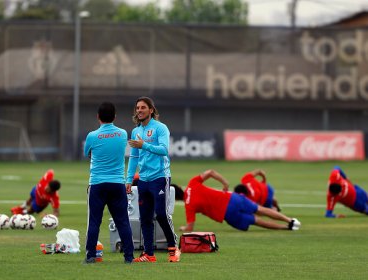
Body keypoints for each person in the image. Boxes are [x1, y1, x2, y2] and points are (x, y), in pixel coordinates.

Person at [126, 96, 180, 263]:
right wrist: (128, 179)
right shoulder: (136, 131)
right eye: (137, 108)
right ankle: (149, 254)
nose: (140, 110)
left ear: (151, 110)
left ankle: (174, 248)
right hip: (143, 180)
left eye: (143, 107)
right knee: (145, 217)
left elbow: (164, 150)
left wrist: (144, 145)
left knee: (162, 215)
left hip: (160, 177)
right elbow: (134, 157)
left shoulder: (160, 128)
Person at [83, 102, 134, 264]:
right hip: (117, 183)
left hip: (97, 184)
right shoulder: (123, 134)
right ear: (115, 116)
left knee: (94, 222)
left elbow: (87, 153)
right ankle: (129, 257)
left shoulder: (92, 136)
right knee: (123, 221)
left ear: (98, 117)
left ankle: (91, 256)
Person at [175, 169, 301, 232]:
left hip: (228, 214)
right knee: (260, 209)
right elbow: (210, 172)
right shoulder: (192, 184)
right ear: (180, 187)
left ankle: (286, 228)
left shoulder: (188, 206)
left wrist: (183, 228)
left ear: (175, 199)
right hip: (232, 198)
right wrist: (224, 182)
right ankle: (290, 220)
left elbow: (190, 227)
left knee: (256, 220)